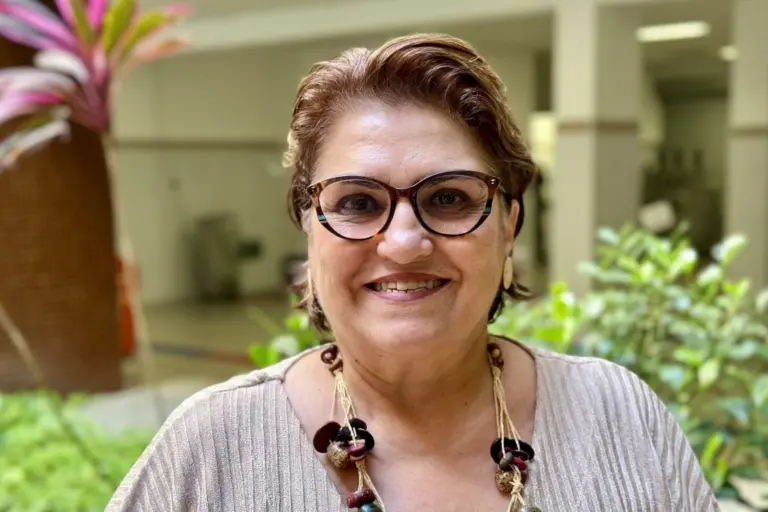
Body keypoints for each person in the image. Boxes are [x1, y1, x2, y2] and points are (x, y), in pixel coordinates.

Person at [107, 34, 718, 512]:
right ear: (309, 229)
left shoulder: (619, 416)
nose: (403, 243)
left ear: (509, 227)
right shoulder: (210, 450)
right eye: (357, 202)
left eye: (449, 198)